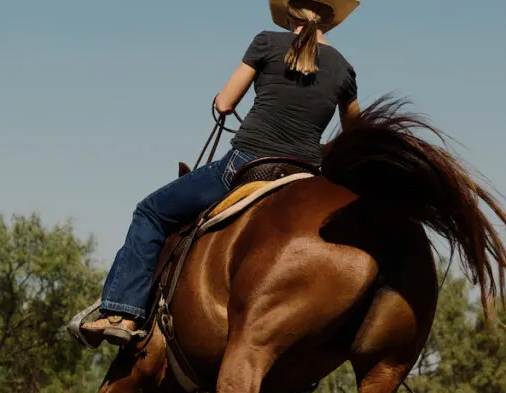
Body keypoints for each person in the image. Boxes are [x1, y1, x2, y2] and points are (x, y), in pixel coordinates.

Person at [81, 0, 362, 347]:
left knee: (150, 211)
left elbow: (226, 103)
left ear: (289, 13)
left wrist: (222, 101)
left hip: (246, 164)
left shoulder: (266, 43)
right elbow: (356, 137)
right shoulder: (345, 70)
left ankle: (121, 312)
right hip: (304, 175)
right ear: (329, 22)